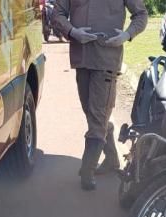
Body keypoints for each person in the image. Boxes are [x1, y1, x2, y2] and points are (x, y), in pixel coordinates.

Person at [52, 0, 148, 191]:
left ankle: (87, 171)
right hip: (82, 58)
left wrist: (127, 35)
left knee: (97, 118)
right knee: (93, 114)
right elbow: (57, 14)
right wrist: (73, 32)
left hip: (106, 60)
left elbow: (141, 15)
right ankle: (112, 160)